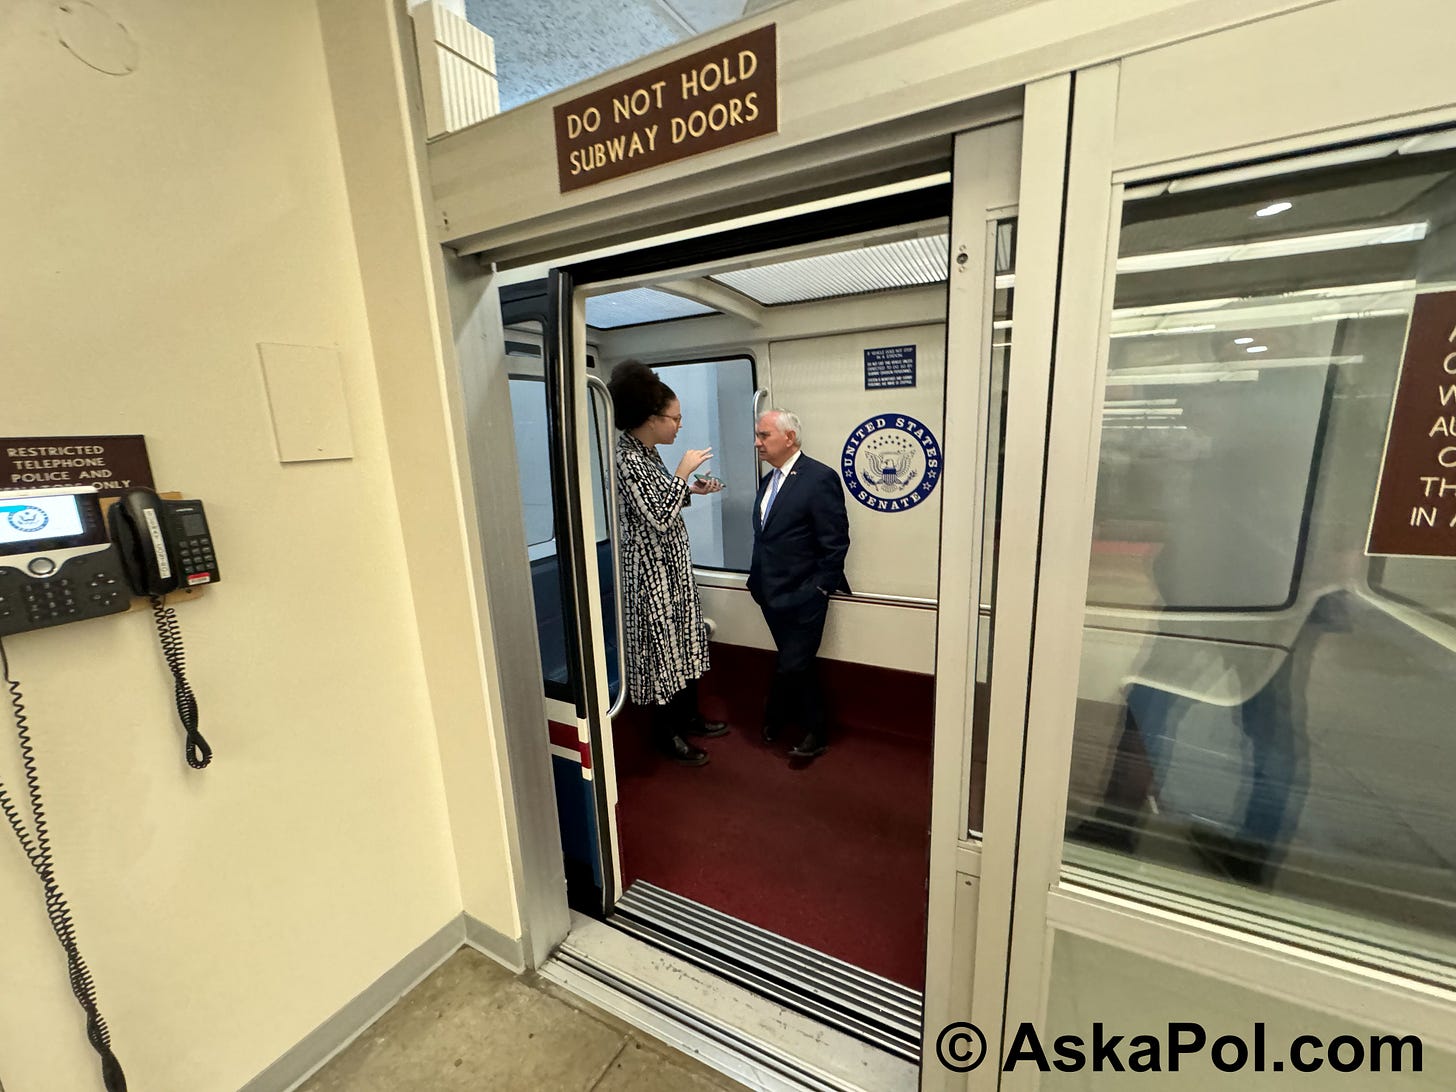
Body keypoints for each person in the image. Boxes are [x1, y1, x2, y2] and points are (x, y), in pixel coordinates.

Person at [608, 360, 727, 766]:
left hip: (672, 569)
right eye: (675, 419)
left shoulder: (650, 454)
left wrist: (692, 489)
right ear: (651, 418)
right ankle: (666, 733)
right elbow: (657, 516)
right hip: (650, 576)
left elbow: (665, 501)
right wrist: (682, 472)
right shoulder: (625, 458)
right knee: (662, 653)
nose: (679, 426)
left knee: (683, 644)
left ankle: (688, 715)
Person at [748, 409, 851, 761]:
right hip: (769, 593)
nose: (758, 442)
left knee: (794, 662)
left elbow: (835, 541)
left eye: (764, 436)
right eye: (758, 436)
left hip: (805, 595)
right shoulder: (768, 481)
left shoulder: (819, 478)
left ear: (789, 438)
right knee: (796, 662)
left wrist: (820, 588)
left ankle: (808, 729)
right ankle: (786, 720)